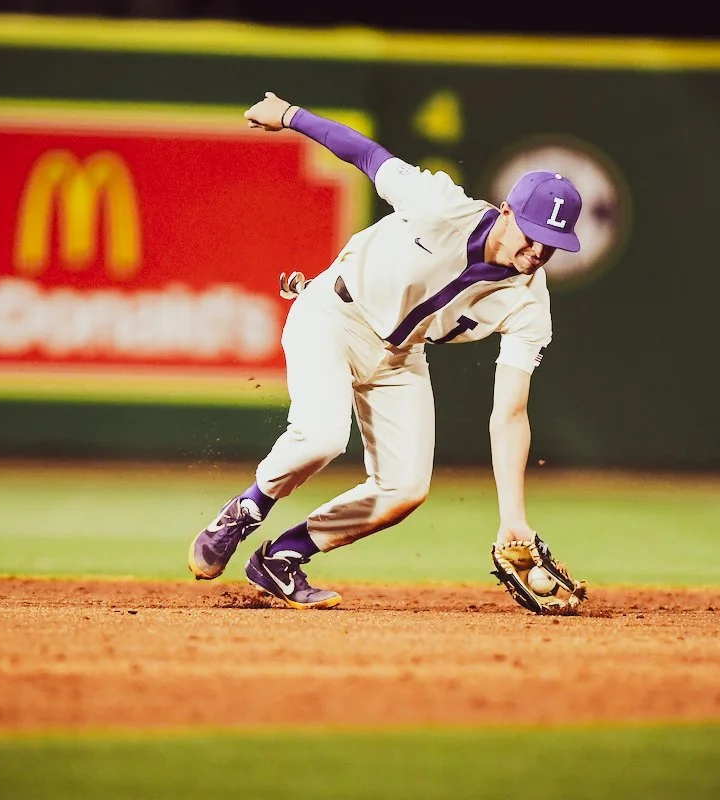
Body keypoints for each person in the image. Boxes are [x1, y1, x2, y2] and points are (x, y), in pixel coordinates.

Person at [188, 90, 584, 609]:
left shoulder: (531, 305)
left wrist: (513, 518)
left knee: (405, 488)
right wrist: (289, 115)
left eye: (551, 244)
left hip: (400, 357)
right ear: (506, 211)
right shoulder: (439, 205)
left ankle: (281, 557)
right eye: (530, 235)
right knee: (323, 437)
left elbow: (509, 413)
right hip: (333, 315)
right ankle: (247, 510)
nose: (536, 252)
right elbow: (367, 154)